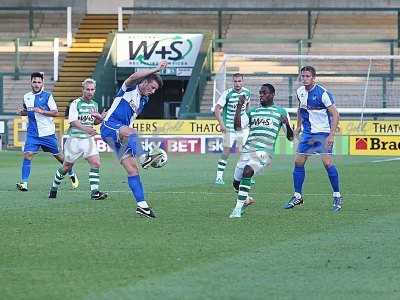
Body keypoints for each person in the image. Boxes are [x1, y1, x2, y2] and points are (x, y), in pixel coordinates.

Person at [100, 60, 168, 219]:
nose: (153, 91)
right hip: (110, 127)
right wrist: (156, 69)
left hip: (121, 134)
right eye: (152, 87)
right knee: (131, 132)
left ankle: (142, 206)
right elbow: (133, 76)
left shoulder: (144, 100)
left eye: (155, 90)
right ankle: (144, 157)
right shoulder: (129, 88)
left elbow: (126, 115)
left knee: (132, 169)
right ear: (145, 81)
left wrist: (103, 115)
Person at [283, 66, 343, 212]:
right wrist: (298, 127)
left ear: (314, 78)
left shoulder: (323, 93)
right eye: (302, 76)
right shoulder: (300, 92)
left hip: (322, 133)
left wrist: (331, 135)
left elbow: (335, 115)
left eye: (307, 76)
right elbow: (300, 109)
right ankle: (298, 196)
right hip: (308, 134)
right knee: (298, 162)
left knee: (327, 163)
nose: (304, 78)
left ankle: (337, 196)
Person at [229, 83, 294, 218]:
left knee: (248, 171)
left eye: (264, 93)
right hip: (247, 151)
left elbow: (291, 137)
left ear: (272, 95)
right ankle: (246, 200)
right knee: (236, 183)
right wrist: (239, 107)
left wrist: (287, 124)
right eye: (260, 93)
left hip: (264, 153)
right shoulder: (253, 111)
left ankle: (237, 209)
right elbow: (237, 127)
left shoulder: (281, 112)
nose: (261, 95)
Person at [16, 72, 78, 192]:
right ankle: (24, 183)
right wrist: (22, 112)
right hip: (33, 133)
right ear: (31, 82)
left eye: (39, 82)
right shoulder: (26, 96)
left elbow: (55, 112)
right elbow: (29, 111)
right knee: (28, 154)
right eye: (34, 82)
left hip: (47, 134)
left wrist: (42, 111)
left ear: (42, 83)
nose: (36, 84)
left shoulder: (48, 96)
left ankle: (71, 173)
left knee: (60, 158)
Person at [48, 78, 107, 200]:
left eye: (92, 89)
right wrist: (87, 129)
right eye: (87, 89)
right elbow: (73, 122)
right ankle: (53, 189)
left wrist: (100, 118)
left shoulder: (94, 104)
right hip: (74, 140)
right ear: (83, 90)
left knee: (96, 163)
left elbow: (93, 122)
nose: (90, 92)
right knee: (66, 167)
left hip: (88, 140)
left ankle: (94, 193)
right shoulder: (75, 103)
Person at [213, 73, 251, 185]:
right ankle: (219, 177)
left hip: (242, 128)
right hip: (229, 127)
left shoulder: (247, 92)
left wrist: (247, 120)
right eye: (235, 81)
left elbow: (247, 106)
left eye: (239, 81)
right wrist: (222, 124)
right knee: (226, 152)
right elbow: (217, 109)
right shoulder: (227, 94)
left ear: (243, 82)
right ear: (232, 82)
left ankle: (245, 178)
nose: (237, 83)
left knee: (245, 152)